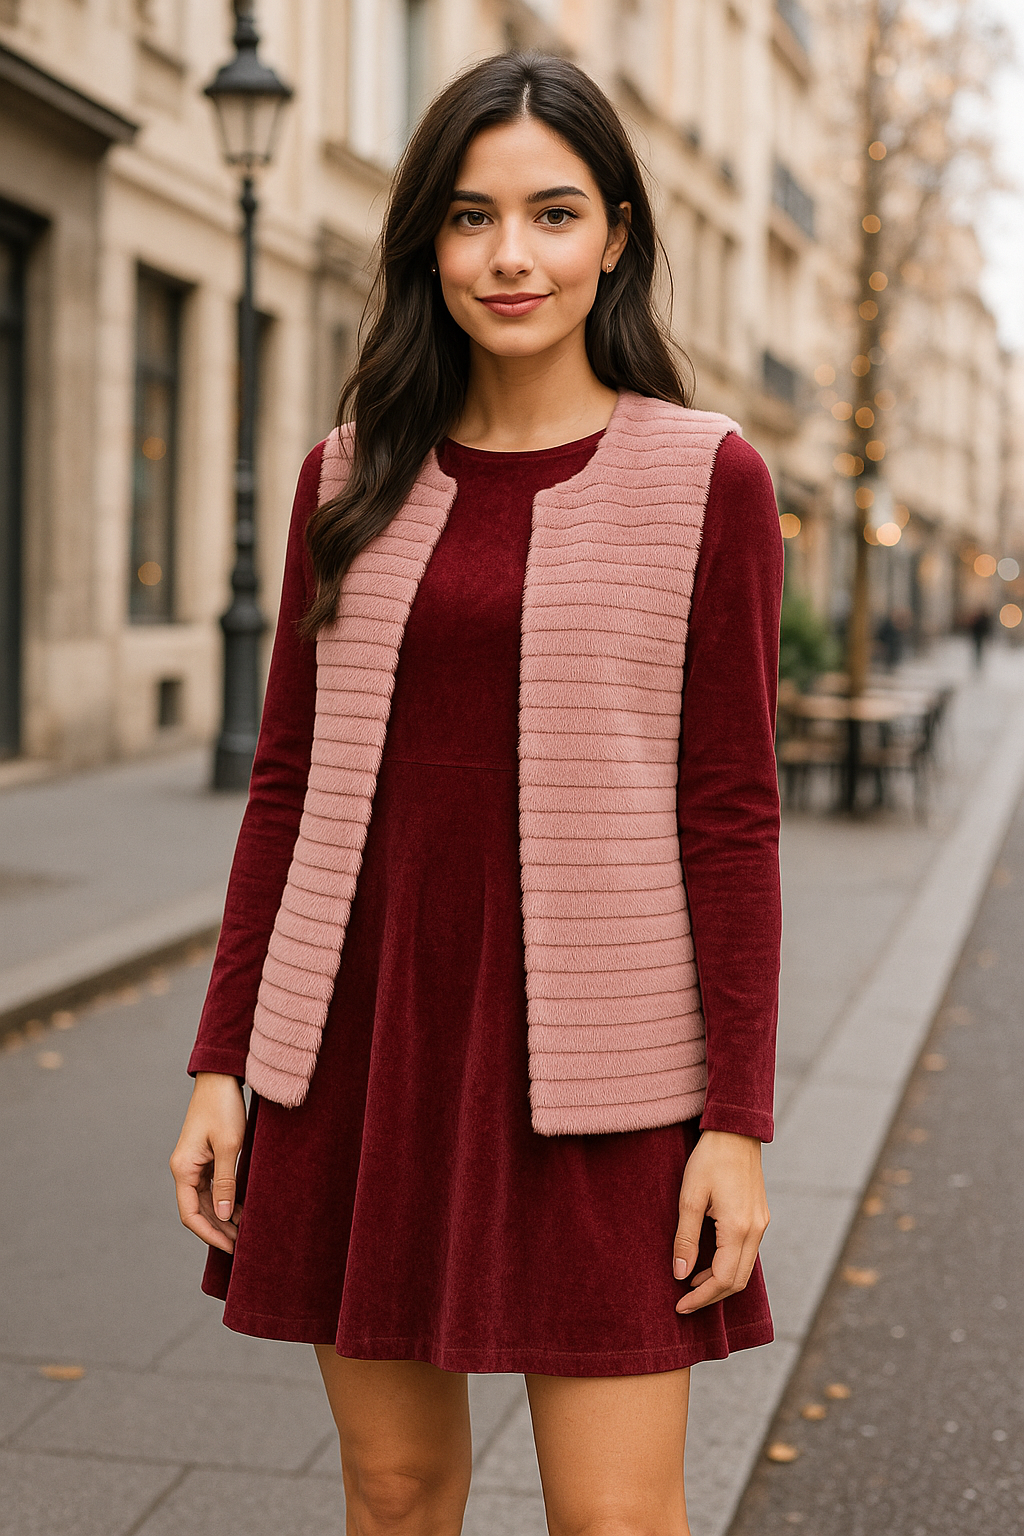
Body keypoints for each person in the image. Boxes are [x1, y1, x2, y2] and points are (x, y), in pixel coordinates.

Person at [170, 52, 783, 1536]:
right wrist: (221, 1062)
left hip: (611, 1082)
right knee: (392, 1492)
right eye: (469, 217)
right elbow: (285, 784)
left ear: (618, 233)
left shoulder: (711, 477)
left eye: (555, 213)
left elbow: (732, 812)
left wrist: (738, 1121)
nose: (511, 256)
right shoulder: (348, 477)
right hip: (367, 1052)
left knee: (615, 1518)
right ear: (425, 245)